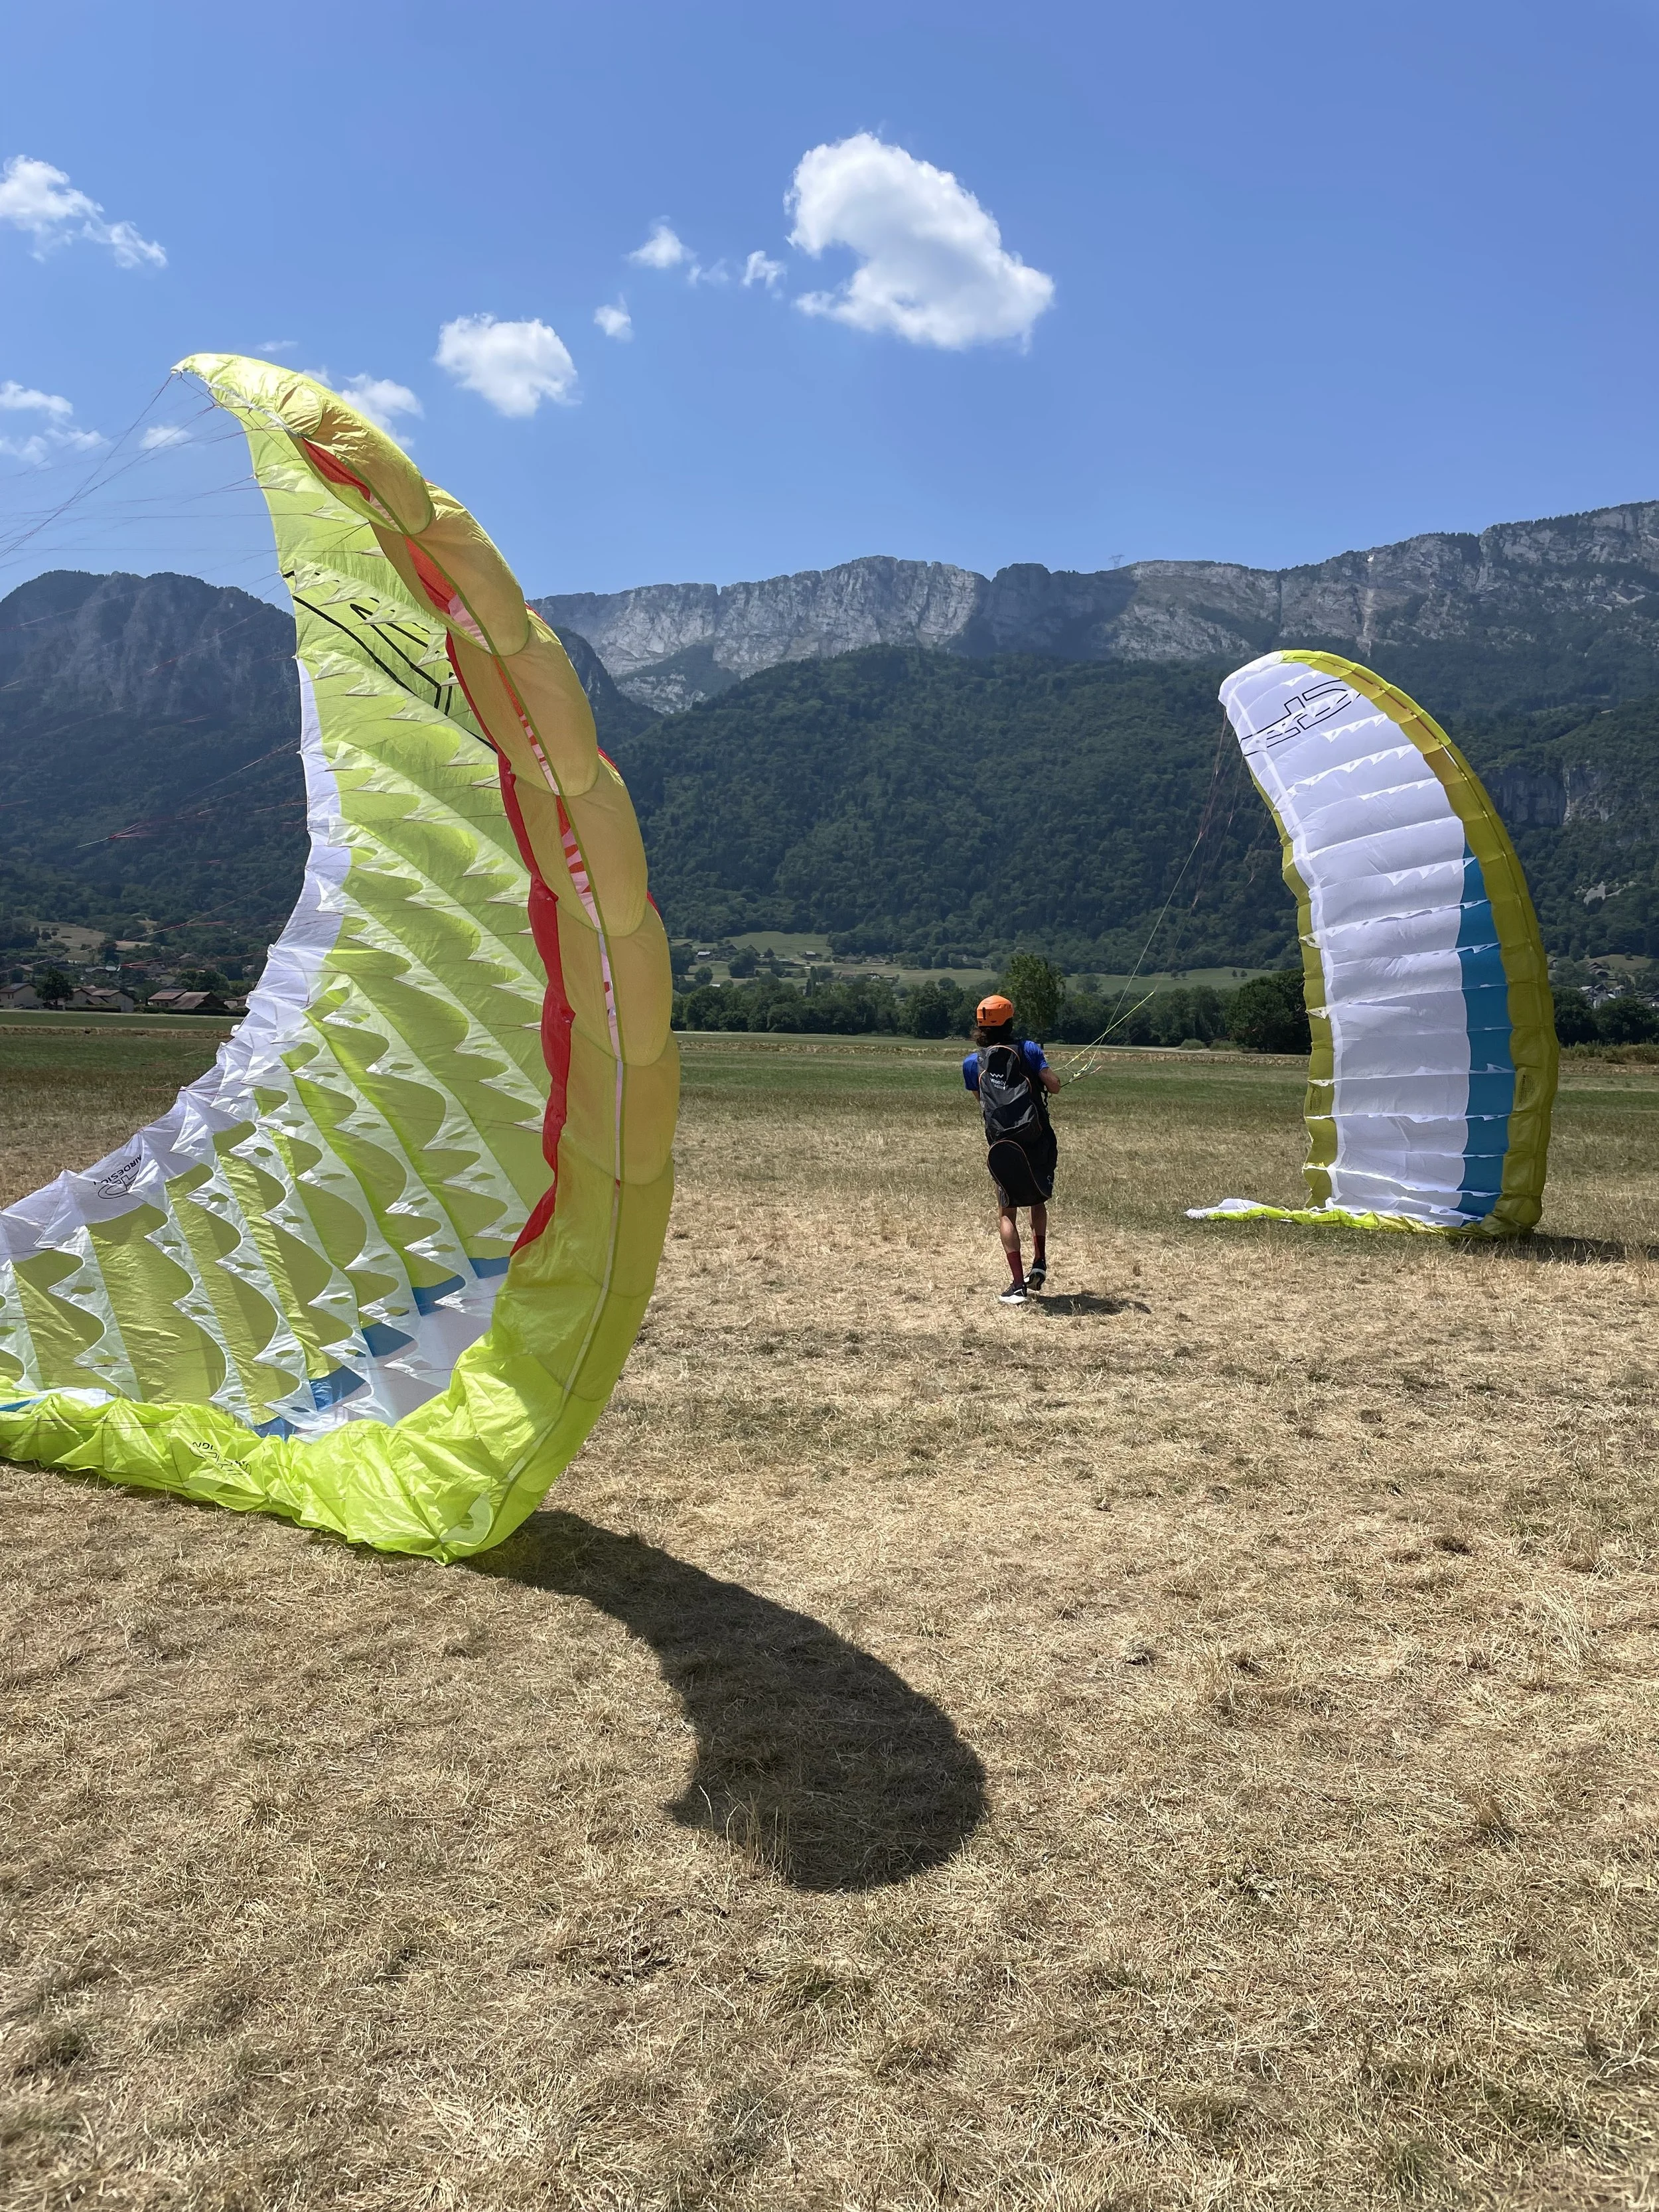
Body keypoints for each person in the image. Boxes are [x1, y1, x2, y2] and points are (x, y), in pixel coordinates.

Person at [962, 993, 1060, 1304]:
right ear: (1010, 1020)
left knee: (1007, 1211)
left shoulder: (970, 1064)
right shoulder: (1029, 1049)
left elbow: (984, 1105)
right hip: (1036, 1138)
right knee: (1037, 1197)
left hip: (1002, 1144)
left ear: (980, 1027)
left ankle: (1017, 1284)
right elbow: (1054, 1085)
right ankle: (1040, 1261)